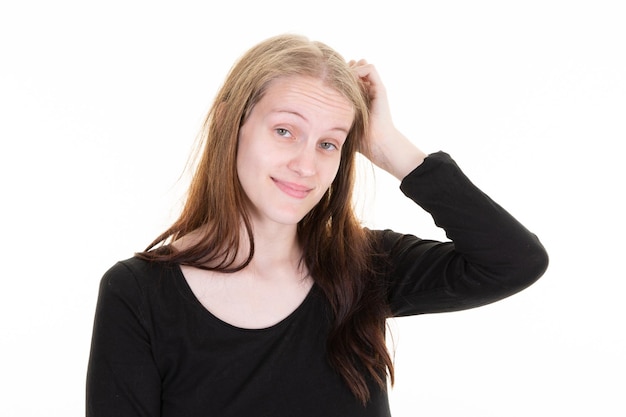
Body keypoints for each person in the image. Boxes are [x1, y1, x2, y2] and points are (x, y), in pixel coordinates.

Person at [86, 34, 548, 417]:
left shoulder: (363, 268)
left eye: (329, 144)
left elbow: (514, 261)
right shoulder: (139, 295)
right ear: (231, 121)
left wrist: (389, 147)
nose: (306, 165)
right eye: (285, 131)